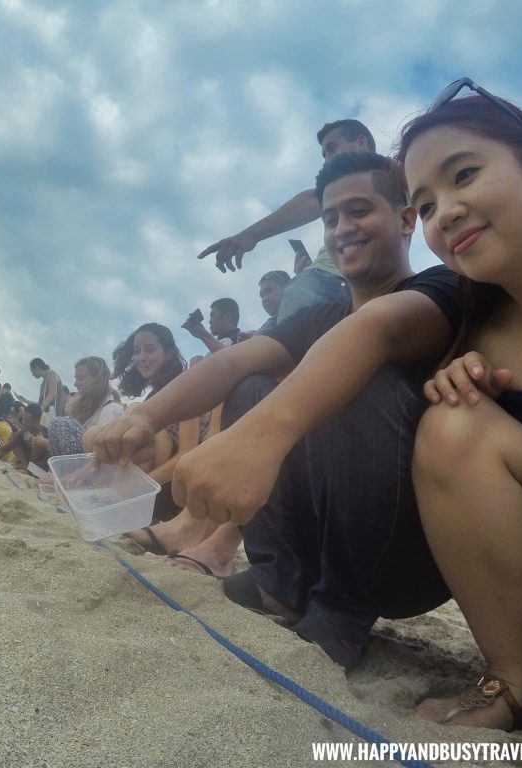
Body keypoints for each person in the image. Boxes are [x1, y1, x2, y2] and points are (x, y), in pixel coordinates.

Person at [94, 151, 463, 670]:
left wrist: (260, 439)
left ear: (406, 220)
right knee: (250, 384)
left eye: (359, 211)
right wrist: (144, 417)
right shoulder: (323, 314)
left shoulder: (441, 289)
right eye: (331, 218)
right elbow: (233, 363)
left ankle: (341, 607)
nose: (342, 229)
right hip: (326, 530)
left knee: (358, 376)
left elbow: (375, 331)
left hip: (409, 554)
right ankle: (279, 583)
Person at [395, 80, 522, 749]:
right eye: (424, 206)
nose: (444, 213)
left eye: (465, 175)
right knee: (451, 418)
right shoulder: (479, 335)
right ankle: (515, 682)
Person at [198, 118, 375, 274]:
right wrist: (250, 235)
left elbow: (312, 199)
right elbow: (313, 199)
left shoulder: (395, 176)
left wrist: (251, 235)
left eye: (332, 148)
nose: (327, 159)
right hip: (318, 281)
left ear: (361, 143)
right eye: (324, 154)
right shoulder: (334, 190)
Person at [111, 323, 198, 523]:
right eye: (137, 351)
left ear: (168, 353)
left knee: (140, 419)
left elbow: (186, 453)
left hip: (171, 489)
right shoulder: (153, 395)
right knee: (132, 413)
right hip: (149, 486)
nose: (141, 357)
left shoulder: (184, 388)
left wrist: (138, 487)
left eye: (149, 350)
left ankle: (123, 496)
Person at [48, 357, 125, 457]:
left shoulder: (111, 410)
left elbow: (101, 453)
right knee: (56, 424)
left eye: (81, 378)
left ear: (97, 380)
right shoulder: (85, 407)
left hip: (95, 465)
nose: (75, 383)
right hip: (81, 462)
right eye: (76, 378)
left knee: (62, 424)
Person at [0, 403, 50, 469]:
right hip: (26, 461)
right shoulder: (25, 431)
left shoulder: (45, 433)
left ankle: (28, 468)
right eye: (23, 420)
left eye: (27, 421)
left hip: (41, 463)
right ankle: (26, 466)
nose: (23, 423)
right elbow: (9, 446)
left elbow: (47, 457)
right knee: (12, 437)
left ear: (37, 421)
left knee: (37, 442)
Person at [24, 358, 67, 423]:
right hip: (47, 415)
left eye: (32, 371)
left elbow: (52, 393)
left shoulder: (50, 373)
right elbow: (40, 403)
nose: (32, 374)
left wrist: (39, 411)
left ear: (37, 367)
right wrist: (25, 400)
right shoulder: (44, 381)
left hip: (53, 416)